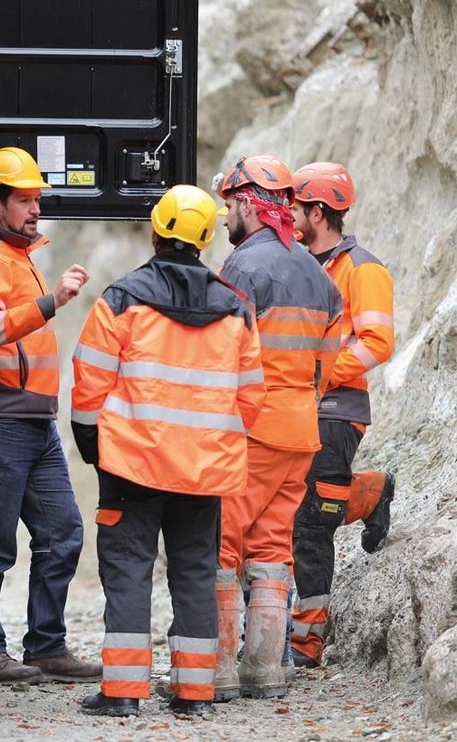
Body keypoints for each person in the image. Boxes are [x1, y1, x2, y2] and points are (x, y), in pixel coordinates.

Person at [71, 185, 265, 717]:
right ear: (205, 239)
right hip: (204, 471)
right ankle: (195, 694)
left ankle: (124, 693)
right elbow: (251, 399)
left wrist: (92, 443)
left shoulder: (121, 299)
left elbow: (89, 382)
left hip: (132, 466)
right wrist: (210, 441)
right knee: (196, 573)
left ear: (156, 231)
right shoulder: (237, 311)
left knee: (129, 570)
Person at [0, 146, 99, 684]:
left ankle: (46, 646)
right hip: (0, 422)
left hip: (37, 423)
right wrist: (52, 301)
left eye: (38, 200)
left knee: (64, 534)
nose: (35, 210)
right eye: (24, 200)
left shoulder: (19, 260)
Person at [213, 155, 342, 701]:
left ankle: (212, 672)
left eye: (227, 206)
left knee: (220, 545)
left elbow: (224, 354)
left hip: (253, 430)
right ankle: (265, 671)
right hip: (300, 430)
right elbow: (329, 361)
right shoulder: (317, 271)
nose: (224, 220)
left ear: (247, 203)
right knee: (271, 548)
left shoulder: (243, 268)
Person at [288, 162, 396, 669]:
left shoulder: (363, 269)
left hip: (338, 405)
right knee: (303, 506)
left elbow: (378, 342)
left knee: (312, 522)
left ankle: (305, 644)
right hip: (297, 403)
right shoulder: (298, 262)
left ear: (317, 211)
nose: (287, 214)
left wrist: (322, 375)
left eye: (295, 206)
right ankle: (368, 491)